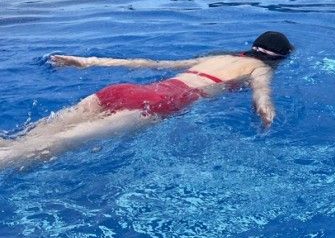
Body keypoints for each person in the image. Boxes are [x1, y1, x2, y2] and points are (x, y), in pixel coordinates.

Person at [0, 31, 293, 168]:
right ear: (279, 59)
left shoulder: (216, 57)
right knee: (52, 146)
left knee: (28, 136)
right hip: (157, 104)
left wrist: (87, 61)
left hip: (121, 90)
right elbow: (262, 100)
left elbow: (147, 63)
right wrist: (268, 122)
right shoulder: (260, 69)